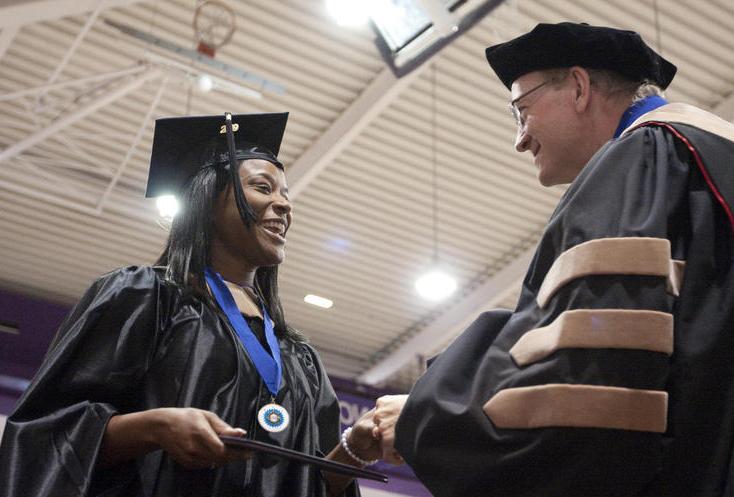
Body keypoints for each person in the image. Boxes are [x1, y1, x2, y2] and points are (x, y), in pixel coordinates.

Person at [374, 22, 734, 497]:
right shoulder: (711, 158)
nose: (520, 140)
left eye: (521, 110)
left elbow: (591, 378)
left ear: (580, 88)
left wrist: (429, 416)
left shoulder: (644, 155)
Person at [0, 112, 382, 497]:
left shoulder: (300, 359)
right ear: (207, 201)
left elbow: (306, 488)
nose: (283, 206)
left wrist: (354, 452)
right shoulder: (143, 298)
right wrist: (155, 427)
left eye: (285, 194)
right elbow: (47, 436)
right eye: (263, 188)